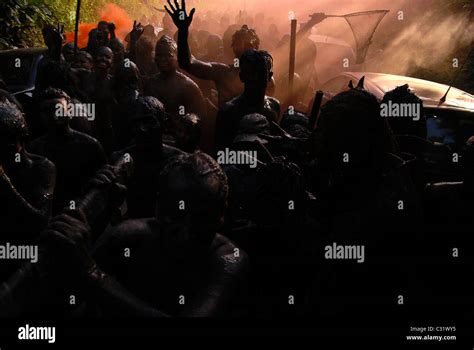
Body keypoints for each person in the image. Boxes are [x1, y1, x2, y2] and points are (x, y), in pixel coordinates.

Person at [93, 152, 248, 316]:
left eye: (201, 221)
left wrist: (92, 275)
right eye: (175, 218)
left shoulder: (230, 260)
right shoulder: (128, 237)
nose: (186, 235)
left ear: (221, 215)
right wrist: (97, 214)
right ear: (158, 208)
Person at [165, 0, 263, 107]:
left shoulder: (264, 75)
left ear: (256, 48)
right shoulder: (224, 73)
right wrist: (183, 30)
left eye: (247, 44)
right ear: (233, 47)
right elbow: (187, 63)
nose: (243, 47)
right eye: (238, 43)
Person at [29, 88, 106, 214]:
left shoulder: (90, 146)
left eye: (58, 110)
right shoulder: (34, 149)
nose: (54, 115)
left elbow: (103, 185)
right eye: (47, 111)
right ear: (41, 115)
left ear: (69, 111)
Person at [215, 49, 279, 151]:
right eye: (252, 74)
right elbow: (221, 154)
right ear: (242, 76)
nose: (256, 79)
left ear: (269, 76)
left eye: (261, 73)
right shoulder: (228, 112)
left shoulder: (274, 106)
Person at [144, 35, 206, 120]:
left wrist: (191, 119)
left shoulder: (188, 86)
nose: (162, 59)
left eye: (167, 55)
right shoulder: (150, 83)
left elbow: (201, 114)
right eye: (159, 55)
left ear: (176, 57)